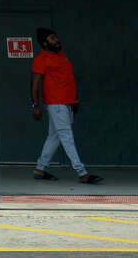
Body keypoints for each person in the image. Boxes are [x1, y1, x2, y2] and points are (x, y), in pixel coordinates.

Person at [30, 27, 103, 184]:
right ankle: (82, 172)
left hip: (67, 103)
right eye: (52, 38)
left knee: (54, 137)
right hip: (56, 104)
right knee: (66, 136)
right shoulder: (41, 59)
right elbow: (35, 83)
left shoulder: (63, 56)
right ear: (44, 43)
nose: (57, 40)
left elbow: (69, 80)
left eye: (56, 37)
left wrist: (75, 100)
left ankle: (40, 169)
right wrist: (35, 105)